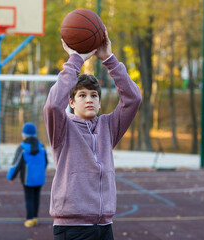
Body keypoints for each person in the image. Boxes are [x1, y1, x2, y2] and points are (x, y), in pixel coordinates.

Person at [43, 29, 142, 240]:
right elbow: (52, 106)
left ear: (99, 102)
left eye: (94, 95)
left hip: (105, 225)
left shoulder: (108, 126)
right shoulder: (62, 128)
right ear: (71, 102)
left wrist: (110, 60)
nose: (89, 99)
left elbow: (133, 99)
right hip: (73, 227)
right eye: (82, 95)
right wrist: (75, 60)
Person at [7, 122, 48, 228]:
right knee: (36, 197)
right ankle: (35, 217)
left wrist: (11, 176)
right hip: (39, 178)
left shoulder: (22, 147)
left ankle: (29, 219)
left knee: (29, 198)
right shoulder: (41, 146)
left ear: (23, 134)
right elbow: (46, 162)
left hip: (27, 178)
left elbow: (16, 164)